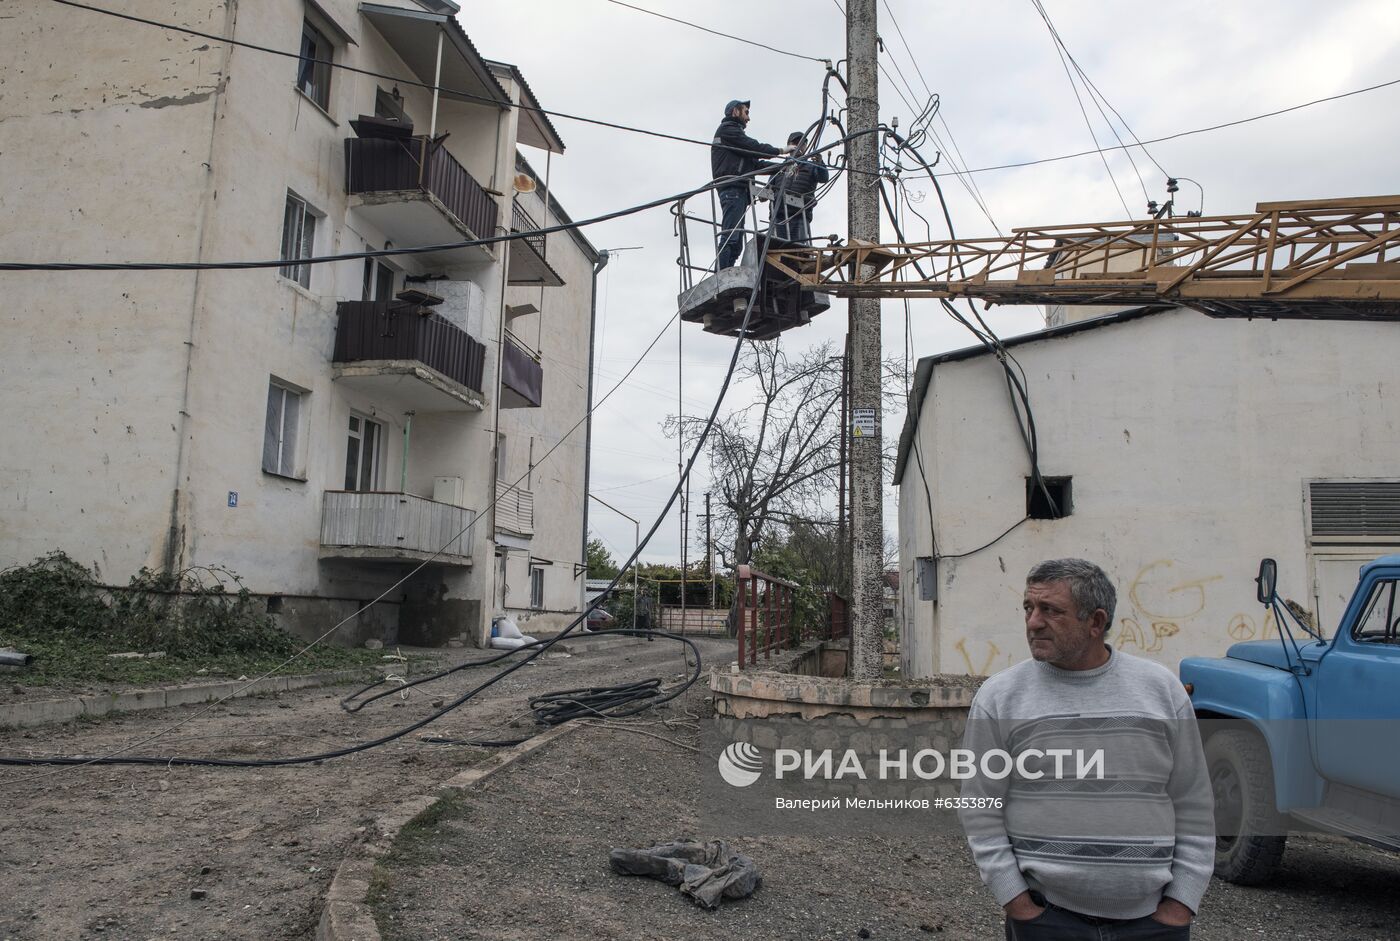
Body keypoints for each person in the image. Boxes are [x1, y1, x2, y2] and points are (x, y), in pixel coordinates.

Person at [959, 558, 1214, 940]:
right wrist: (1016, 901)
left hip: (1152, 925)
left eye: (1050, 610)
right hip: (1047, 920)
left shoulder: (1160, 691)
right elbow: (979, 804)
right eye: (1029, 608)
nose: (1033, 622)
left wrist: (1182, 902)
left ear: (1095, 622)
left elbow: (1194, 800)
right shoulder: (1000, 698)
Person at [710, 99, 792, 269]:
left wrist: (783, 167)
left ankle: (727, 272)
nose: (748, 118)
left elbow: (755, 165)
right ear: (735, 112)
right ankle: (721, 275)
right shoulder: (728, 131)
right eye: (746, 112)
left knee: (737, 241)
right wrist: (781, 151)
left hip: (739, 191)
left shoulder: (736, 140)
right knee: (731, 236)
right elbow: (754, 147)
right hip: (732, 189)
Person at [774, 132, 829, 244]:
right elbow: (770, 187)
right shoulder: (779, 168)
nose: (798, 146)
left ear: (805, 146)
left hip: (800, 215)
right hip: (779, 215)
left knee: (797, 249)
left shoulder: (811, 166)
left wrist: (820, 163)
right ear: (789, 145)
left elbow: (823, 178)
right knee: (776, 247)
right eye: (795, 143)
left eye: (802, 143)